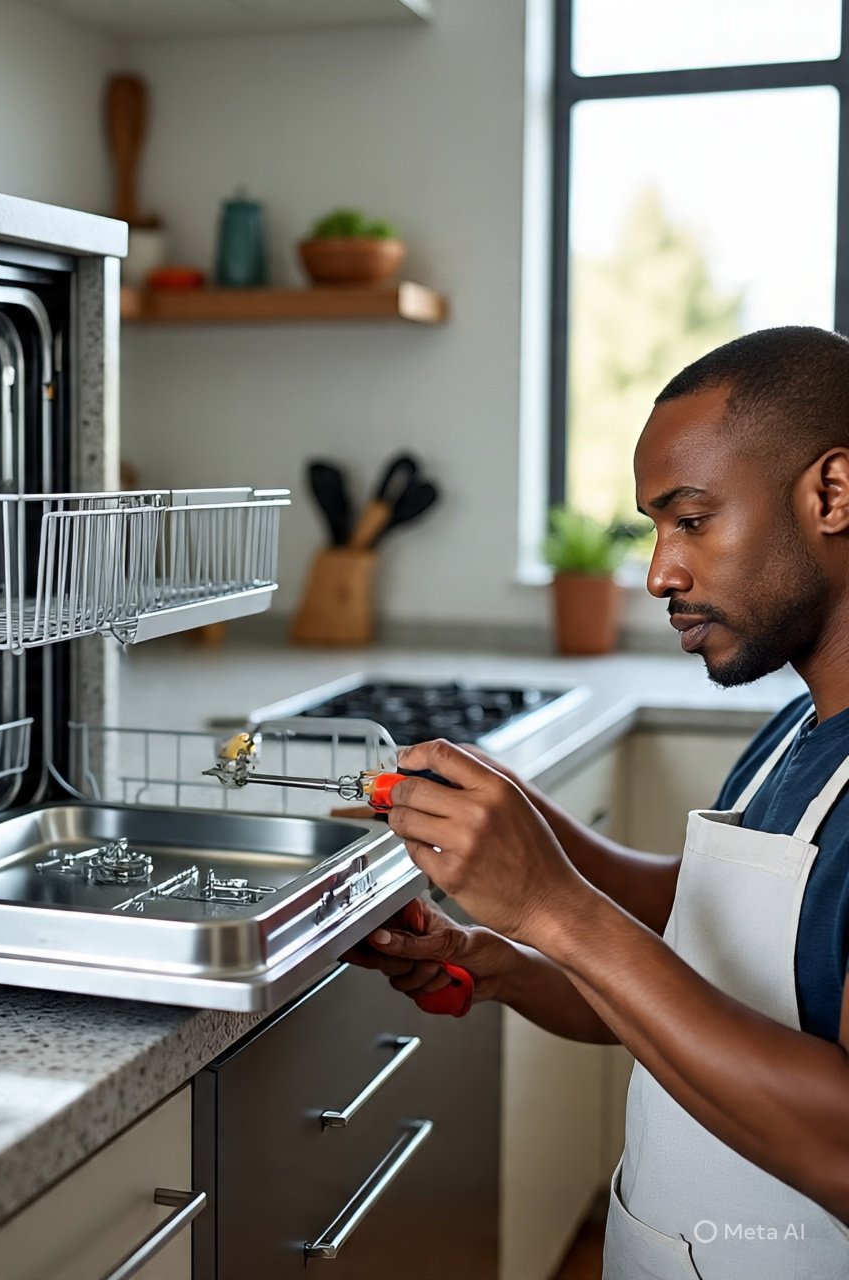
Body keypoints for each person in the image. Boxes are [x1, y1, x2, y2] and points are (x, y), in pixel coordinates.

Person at [349, 326, 849, 1279]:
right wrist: (499, 956)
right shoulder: (798, 726)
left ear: (832, 493)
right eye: (654, 528)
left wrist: (550, 905)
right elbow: (696, 953)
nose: (660, 572)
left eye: (691, 519)